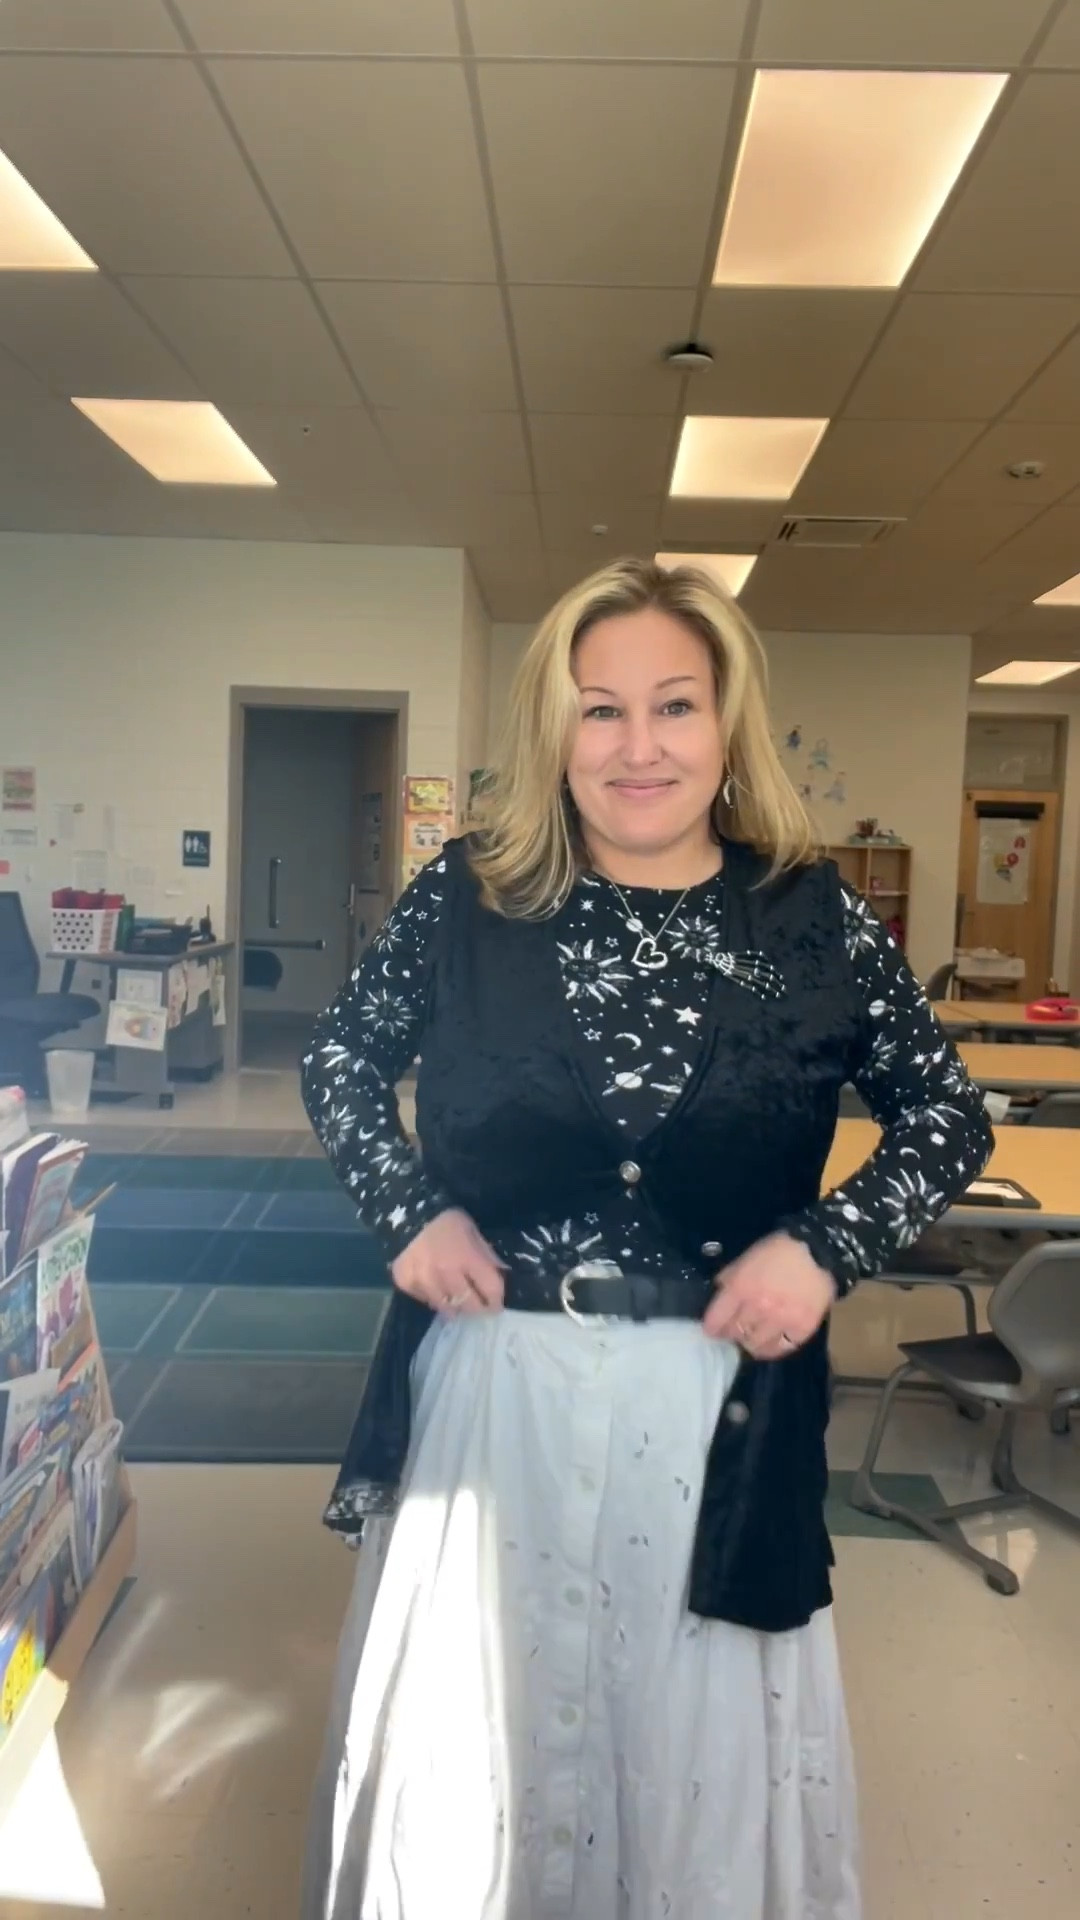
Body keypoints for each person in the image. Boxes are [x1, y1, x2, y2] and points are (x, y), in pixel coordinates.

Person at [300, 558, 992, 1920]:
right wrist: (407, 1209)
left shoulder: (813, 920)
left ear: (728, 726)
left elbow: (947, 1116)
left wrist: (826, 1247)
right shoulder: (469, 898)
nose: (637, 748)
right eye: (599, 709)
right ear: (553, 730)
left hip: (713, 1408)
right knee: (482, 1726)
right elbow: (340, 1059)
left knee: (688, 1751)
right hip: (500, 1383)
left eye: (674, 706)